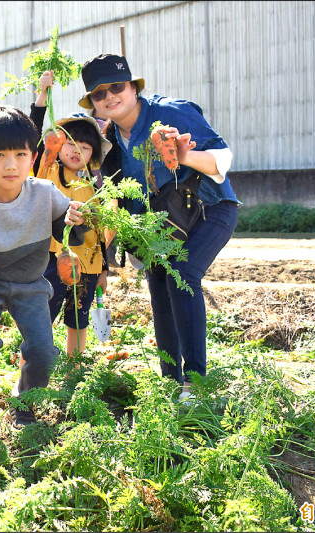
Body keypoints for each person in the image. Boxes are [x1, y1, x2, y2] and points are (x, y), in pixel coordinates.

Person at [79, 53, 240, 402]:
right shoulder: (108, 141)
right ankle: (170, 379)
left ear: (133, 87)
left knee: (182, 274)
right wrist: (101, 257)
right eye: (99, 94)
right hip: (157, 228)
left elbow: (222, 160)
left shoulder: (171, 114)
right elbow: (115, 201)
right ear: (93, 103)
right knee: (159, 286)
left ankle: (195, 383)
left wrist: (183, 157)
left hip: (209, 211)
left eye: (116, 87)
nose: (110, 97)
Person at [0, 105, 88, 429]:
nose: (11, 164)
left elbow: (66, 231)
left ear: (32, 156)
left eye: (20, 154)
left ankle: (24, 400)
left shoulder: (44, 193)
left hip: (30, 284)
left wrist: (74, 220)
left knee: (43, 350)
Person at [30, 70, 111, 356]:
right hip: (51, 257)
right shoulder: (46, 170)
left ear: (94, 154)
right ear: (58, 145)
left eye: (86, 147)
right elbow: (31, 137)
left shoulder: (97, 186)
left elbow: (103, 232)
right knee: (44, 312)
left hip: (88, 263)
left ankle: (73, 368)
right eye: (70, 143)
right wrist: (42, 95)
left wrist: (104, 270)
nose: (77, 150)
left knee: (79, 318)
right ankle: (34, 364)